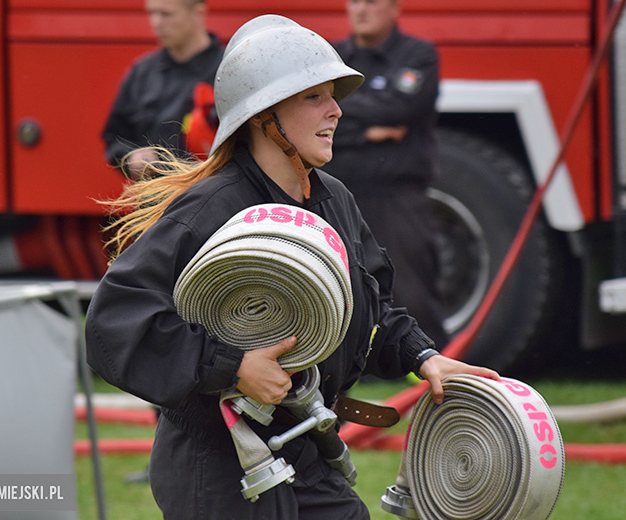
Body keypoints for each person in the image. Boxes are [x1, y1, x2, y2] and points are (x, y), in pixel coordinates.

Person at [85, 15, 499, 520]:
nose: (337, 111)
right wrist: (234, 366)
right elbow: (113, 324)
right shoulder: (209, 209)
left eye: (333, 96)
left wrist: (424, 356)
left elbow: (366, 304)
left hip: (305, 451)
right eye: (314, 97)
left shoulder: (335, 201)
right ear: (263, 116)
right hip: (216, 466)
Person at [326, 0, 448, 346]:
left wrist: (343, 115)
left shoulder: (417, 55)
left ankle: (437, 380)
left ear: (395, 9)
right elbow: (312, 110)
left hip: (398, 196)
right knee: (337, 289)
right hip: (339, 194)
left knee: (413, 291)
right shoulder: (331, 57)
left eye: (372, 2)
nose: (361, 10)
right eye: (354, 2)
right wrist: (367, 131)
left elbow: (403, 107)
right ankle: (334, 386)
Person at [101, 0, 223, 179]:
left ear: (198, 13)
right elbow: (115, 137)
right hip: (155, 201)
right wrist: (132, 159)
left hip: (214, 198)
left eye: (166, 14)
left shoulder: (228, 70)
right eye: (152, 13)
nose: (156, 23)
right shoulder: (142, 72)